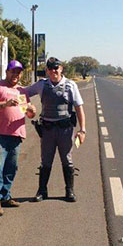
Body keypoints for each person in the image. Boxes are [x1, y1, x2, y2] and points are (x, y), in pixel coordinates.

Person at [23, 57, 86, 202]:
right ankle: (42, 191)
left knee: (67, 160)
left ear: (61, 69)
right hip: (47, 130)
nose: (53, 71)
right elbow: (23, 93)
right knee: (46, 161)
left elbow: (79, 108)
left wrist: (82, 130)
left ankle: (69, 191)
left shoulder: (70, 85)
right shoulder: (41, 85)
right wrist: (28, 108)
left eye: (56, 68)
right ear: (46, 70)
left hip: (65, 130)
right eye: (50, 68)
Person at [0, 60, 36, 216]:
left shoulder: (22, 91)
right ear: (7, 72)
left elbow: (28, 112)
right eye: (13, 71)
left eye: (18, 72)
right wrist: (5, 104)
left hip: (16, 135)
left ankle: (6, 196)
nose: (16, 74)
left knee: (11, 168)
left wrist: (31, 111)